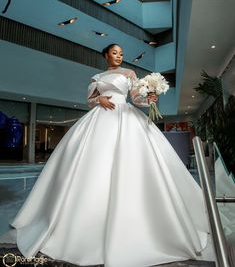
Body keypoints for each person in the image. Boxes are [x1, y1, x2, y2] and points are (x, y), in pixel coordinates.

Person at [9, 44, 214, 267]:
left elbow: (136, 98)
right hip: (101, 116)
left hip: (125, 116)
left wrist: (149, 99)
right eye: (115, 53)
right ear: (106, 55)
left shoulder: (129, 74)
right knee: (92, 164)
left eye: (121, 54)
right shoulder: (98, 77)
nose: (119, 57)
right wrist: (100, 100)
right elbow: (90, 100)